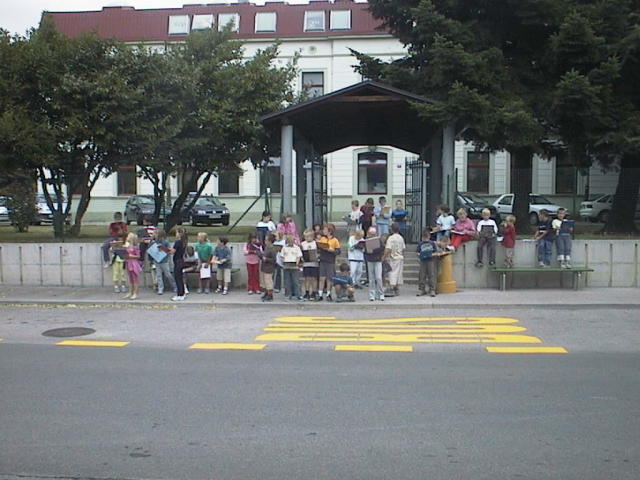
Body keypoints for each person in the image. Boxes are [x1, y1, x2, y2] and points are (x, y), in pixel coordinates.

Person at [416, 228, 447, 297]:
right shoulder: (420, 244)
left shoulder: (432, 243)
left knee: (432, 275)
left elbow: (436, 252)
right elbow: (417, 252)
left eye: (426, 238)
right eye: (424, 238)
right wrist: (420, 255)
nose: (425, 240)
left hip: (431, 261)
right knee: (422, 275)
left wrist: (432, 254)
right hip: (423, 261)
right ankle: (421, 289)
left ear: (429, 237)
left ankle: (432, 289)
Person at [316, 223, 340, 301]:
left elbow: (338, 251)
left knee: (329, 278)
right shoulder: (323, 238)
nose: (323, 231)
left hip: (330, 260)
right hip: (323, 259)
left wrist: (332, 250)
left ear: (329, 231)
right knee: (322, 277)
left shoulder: (335, 240)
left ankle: (328, 293)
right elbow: (319, 247)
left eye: (325, 230)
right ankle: (320, 294)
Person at [151, 229, 176, 295]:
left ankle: (174, 286)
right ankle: (160, 288)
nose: (154, 235)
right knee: (158, 275)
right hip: (157, 260)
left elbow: (169, 250)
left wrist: (162, 249)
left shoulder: (165, 242)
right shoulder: (154, 242)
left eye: (155, 234)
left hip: (164, 260)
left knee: (168, 274)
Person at [364, 227, 386, 301]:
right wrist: (367, 251)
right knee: (371, 278)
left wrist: (373, 251)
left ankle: (380, 293)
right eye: (371, 234)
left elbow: (382, 248)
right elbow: (365, 250)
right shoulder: (366, 240)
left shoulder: (379, 240)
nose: (372, 235)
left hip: (377, 260)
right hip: (370, 260)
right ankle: (372, 294)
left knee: (378, 277)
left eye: (373, 234)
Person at [385, 222, 406, 296]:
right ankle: (397, 288)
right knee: (399, 273)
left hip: (393, 257)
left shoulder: (391, 238)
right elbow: (403, 248)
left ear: (391, 229)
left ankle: (392, 288)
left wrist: (384, 256)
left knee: (392, 273)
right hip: (400, 257)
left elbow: (388, 248)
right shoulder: (401, 238)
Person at [280, 234, 303, 300]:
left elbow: (299, 256)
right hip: (286, 265)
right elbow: (282, 256)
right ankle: (288, 294)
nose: (291, 242)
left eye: (292, 240)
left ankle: (298, 294)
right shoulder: (284, 248)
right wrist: (284, 261)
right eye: (289, 241)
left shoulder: (297, 248)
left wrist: (296, 263)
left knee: (296, 281)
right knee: (287, 281)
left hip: (294, 266)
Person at [170, 228, 188, 301]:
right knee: (180, 278)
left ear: (179, 234)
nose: (176, 234)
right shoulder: (184, 241)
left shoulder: (177, 242)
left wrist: (166, 250)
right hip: (181, 260)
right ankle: (182, 293)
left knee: (177, 278)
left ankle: (179, 294)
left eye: (177, 233)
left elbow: (173, 251)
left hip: (177, 261)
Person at [301, 229, 319, 300]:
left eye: (309, 237)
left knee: (314, 278)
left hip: (314, 263)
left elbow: (318, 252)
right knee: (307, 278)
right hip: (306, 264)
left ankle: (314, 292)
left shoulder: (315, 243)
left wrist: (316, 256)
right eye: (306, 237)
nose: (308, 238)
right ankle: (307, 292)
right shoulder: (303, 244)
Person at [123, 232, 142, 300]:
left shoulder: (135, 247)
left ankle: (135, 293)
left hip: (134, 263)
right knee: (130, 279)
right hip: (128, 262)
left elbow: (138, 256)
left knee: (135, 279)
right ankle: (130, 292)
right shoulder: (127, 246)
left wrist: (131, 256)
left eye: (128, 236)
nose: (127, 237)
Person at [259, 233, 277, 302]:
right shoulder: (266, 248)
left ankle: (270, 294)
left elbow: (274, 260)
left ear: (270, 241)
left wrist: (266, 259)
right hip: (264, 267)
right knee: (264, 282)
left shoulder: (272, 249)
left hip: (269, 268)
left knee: (268, 281)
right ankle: (266, 293)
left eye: (266, 240)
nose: (265, 241)